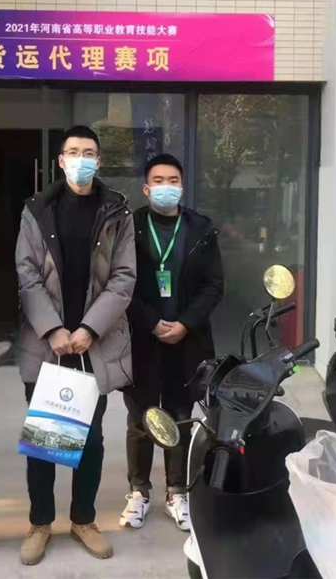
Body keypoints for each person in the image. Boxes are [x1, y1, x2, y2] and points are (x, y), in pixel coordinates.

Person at [15, 125, 136, 565]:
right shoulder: (38, 210)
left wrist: (89, 328)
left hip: (92, 344)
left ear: (98, 161)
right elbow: (27, 273)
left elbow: (124, 277)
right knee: (44, 437)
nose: (81, 159)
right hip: (47, 343)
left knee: (91, 438)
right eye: (73, 152)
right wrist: (52, 329)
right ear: (61, 160)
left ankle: (84, 520)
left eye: (88, 152)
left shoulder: (116, 211)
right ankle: (40, 523)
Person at [120, 153, 223, 532]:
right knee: (141, 417)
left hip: (187, 341)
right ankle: (138, 491)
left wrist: (185, 323)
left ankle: (177, 492)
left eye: (173, 180)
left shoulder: (201, 229)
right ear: (147, 189)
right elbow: (120, 284)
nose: (167, 187)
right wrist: (150, 322)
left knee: (180, 416)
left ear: (182, 186)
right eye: (159, 181)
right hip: (142, 339)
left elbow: (213, 285)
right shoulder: (129, 227)